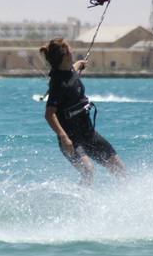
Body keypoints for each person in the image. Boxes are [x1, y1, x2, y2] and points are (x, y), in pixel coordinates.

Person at [40, 37, 126, 187]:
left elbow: (73, 69)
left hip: (89, 134)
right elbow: (49, 114)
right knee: (88, 170)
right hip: (71, 139)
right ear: (66, 55)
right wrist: (64, 137)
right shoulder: (59, 83)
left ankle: (130, 199)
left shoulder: (69, 70)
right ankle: (81, 202)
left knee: (120, 170)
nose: (72, 51)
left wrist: (80, 64)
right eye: (70, 49)